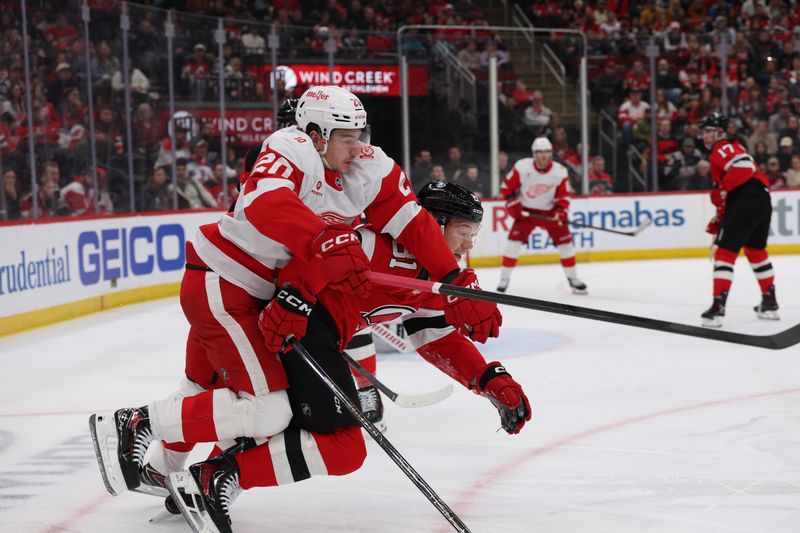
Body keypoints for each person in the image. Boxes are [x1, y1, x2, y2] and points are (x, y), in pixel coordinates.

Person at [89, 86, 500, 507]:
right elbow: (265, 201)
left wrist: (455, 278)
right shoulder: (292, 146)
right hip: (228, 283)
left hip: (258, 294)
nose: (358, 146)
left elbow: (414, 223)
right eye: (346, 136)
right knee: (266, 410)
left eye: (361, 133)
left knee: (206, 386)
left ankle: (163, 468)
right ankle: (140, 423)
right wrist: (320, 241)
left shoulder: (368, 165)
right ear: (317, 134)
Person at [165, 181, 525, 532]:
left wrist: (489, 379)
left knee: (268, 415)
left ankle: (203, 473)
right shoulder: (373, 244)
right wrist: (295, 299)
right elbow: (308, 260)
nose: (470, 243)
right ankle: (203, 465)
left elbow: (437, 338)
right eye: (464, 231)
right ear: (435, 223)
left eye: (474, 233)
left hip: (306, 334)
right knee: (328, 440)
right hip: (281, 324)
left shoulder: (432, 277)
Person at [698, 112, 779, 327]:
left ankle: (717, 308)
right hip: (761, 200)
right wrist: (723, 212)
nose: (705, 136)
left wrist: (724, 192)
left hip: (745, 199)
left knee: (725, 253)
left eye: (709, 132)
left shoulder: (721, 147)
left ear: (720, 132)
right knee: (756, 252)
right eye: (703, 132)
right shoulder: (733, 147)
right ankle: (769, 303)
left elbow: (744, 168)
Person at [497, 137, 587, 295]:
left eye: (546, 152)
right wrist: (512, 203)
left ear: (551, 153)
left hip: (550, 212)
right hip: (526, 212)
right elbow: (506, 188)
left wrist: (561, 212)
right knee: (512, 245)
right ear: (534, 154)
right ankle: (504, 279)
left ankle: (573, 279)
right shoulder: (522, 167)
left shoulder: (560, 171)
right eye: (539, 152)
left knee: (566, 245)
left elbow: (563, 197)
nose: (543, 155)